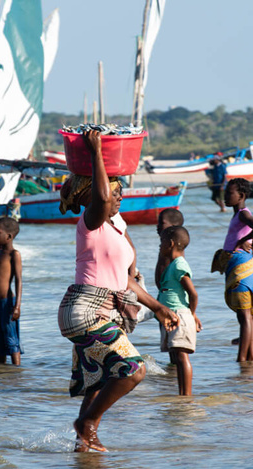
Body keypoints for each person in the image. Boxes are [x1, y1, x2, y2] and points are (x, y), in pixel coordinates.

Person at [58, 129, 179, 453]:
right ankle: (88, 425)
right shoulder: (91, 223)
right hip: (84, 308)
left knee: (97, 381)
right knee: (133, 369)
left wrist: (157, 307)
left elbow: (124, 279)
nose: (118, 197)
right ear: (95, 196)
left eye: (120, 193)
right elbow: (98, 196)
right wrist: (97, 151)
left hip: (102, 308)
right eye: (114, 193)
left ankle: (82, 445)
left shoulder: (115, 226)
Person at [212, 178, 253, 362]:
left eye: (229, 193)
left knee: (244, 316)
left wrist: (244, 240)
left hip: (242, 269)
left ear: (241, 196)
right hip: (241, 268)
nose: (225, 196)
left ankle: (242, 358)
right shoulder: (238, 215)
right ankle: (249, 358)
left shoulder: (243, 213)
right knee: (245, 316)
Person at [157, 226, 201, 396]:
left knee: (182, 357)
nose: (159, 247)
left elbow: (193, 293)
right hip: (174, 314)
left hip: (180, 315)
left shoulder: (179, 265)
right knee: (178, 356)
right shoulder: (173, 265)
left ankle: (186, 396)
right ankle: (181, 394)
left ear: (171, 244)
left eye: (161, 243)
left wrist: (192, 314)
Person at [0, 217, 23, 366]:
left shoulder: (14, 255)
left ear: (8, 236)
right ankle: (1, 371)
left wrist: (17, 306)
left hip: (7, 303)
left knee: (10, 338)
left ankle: (16, 370)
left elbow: (18, 281)